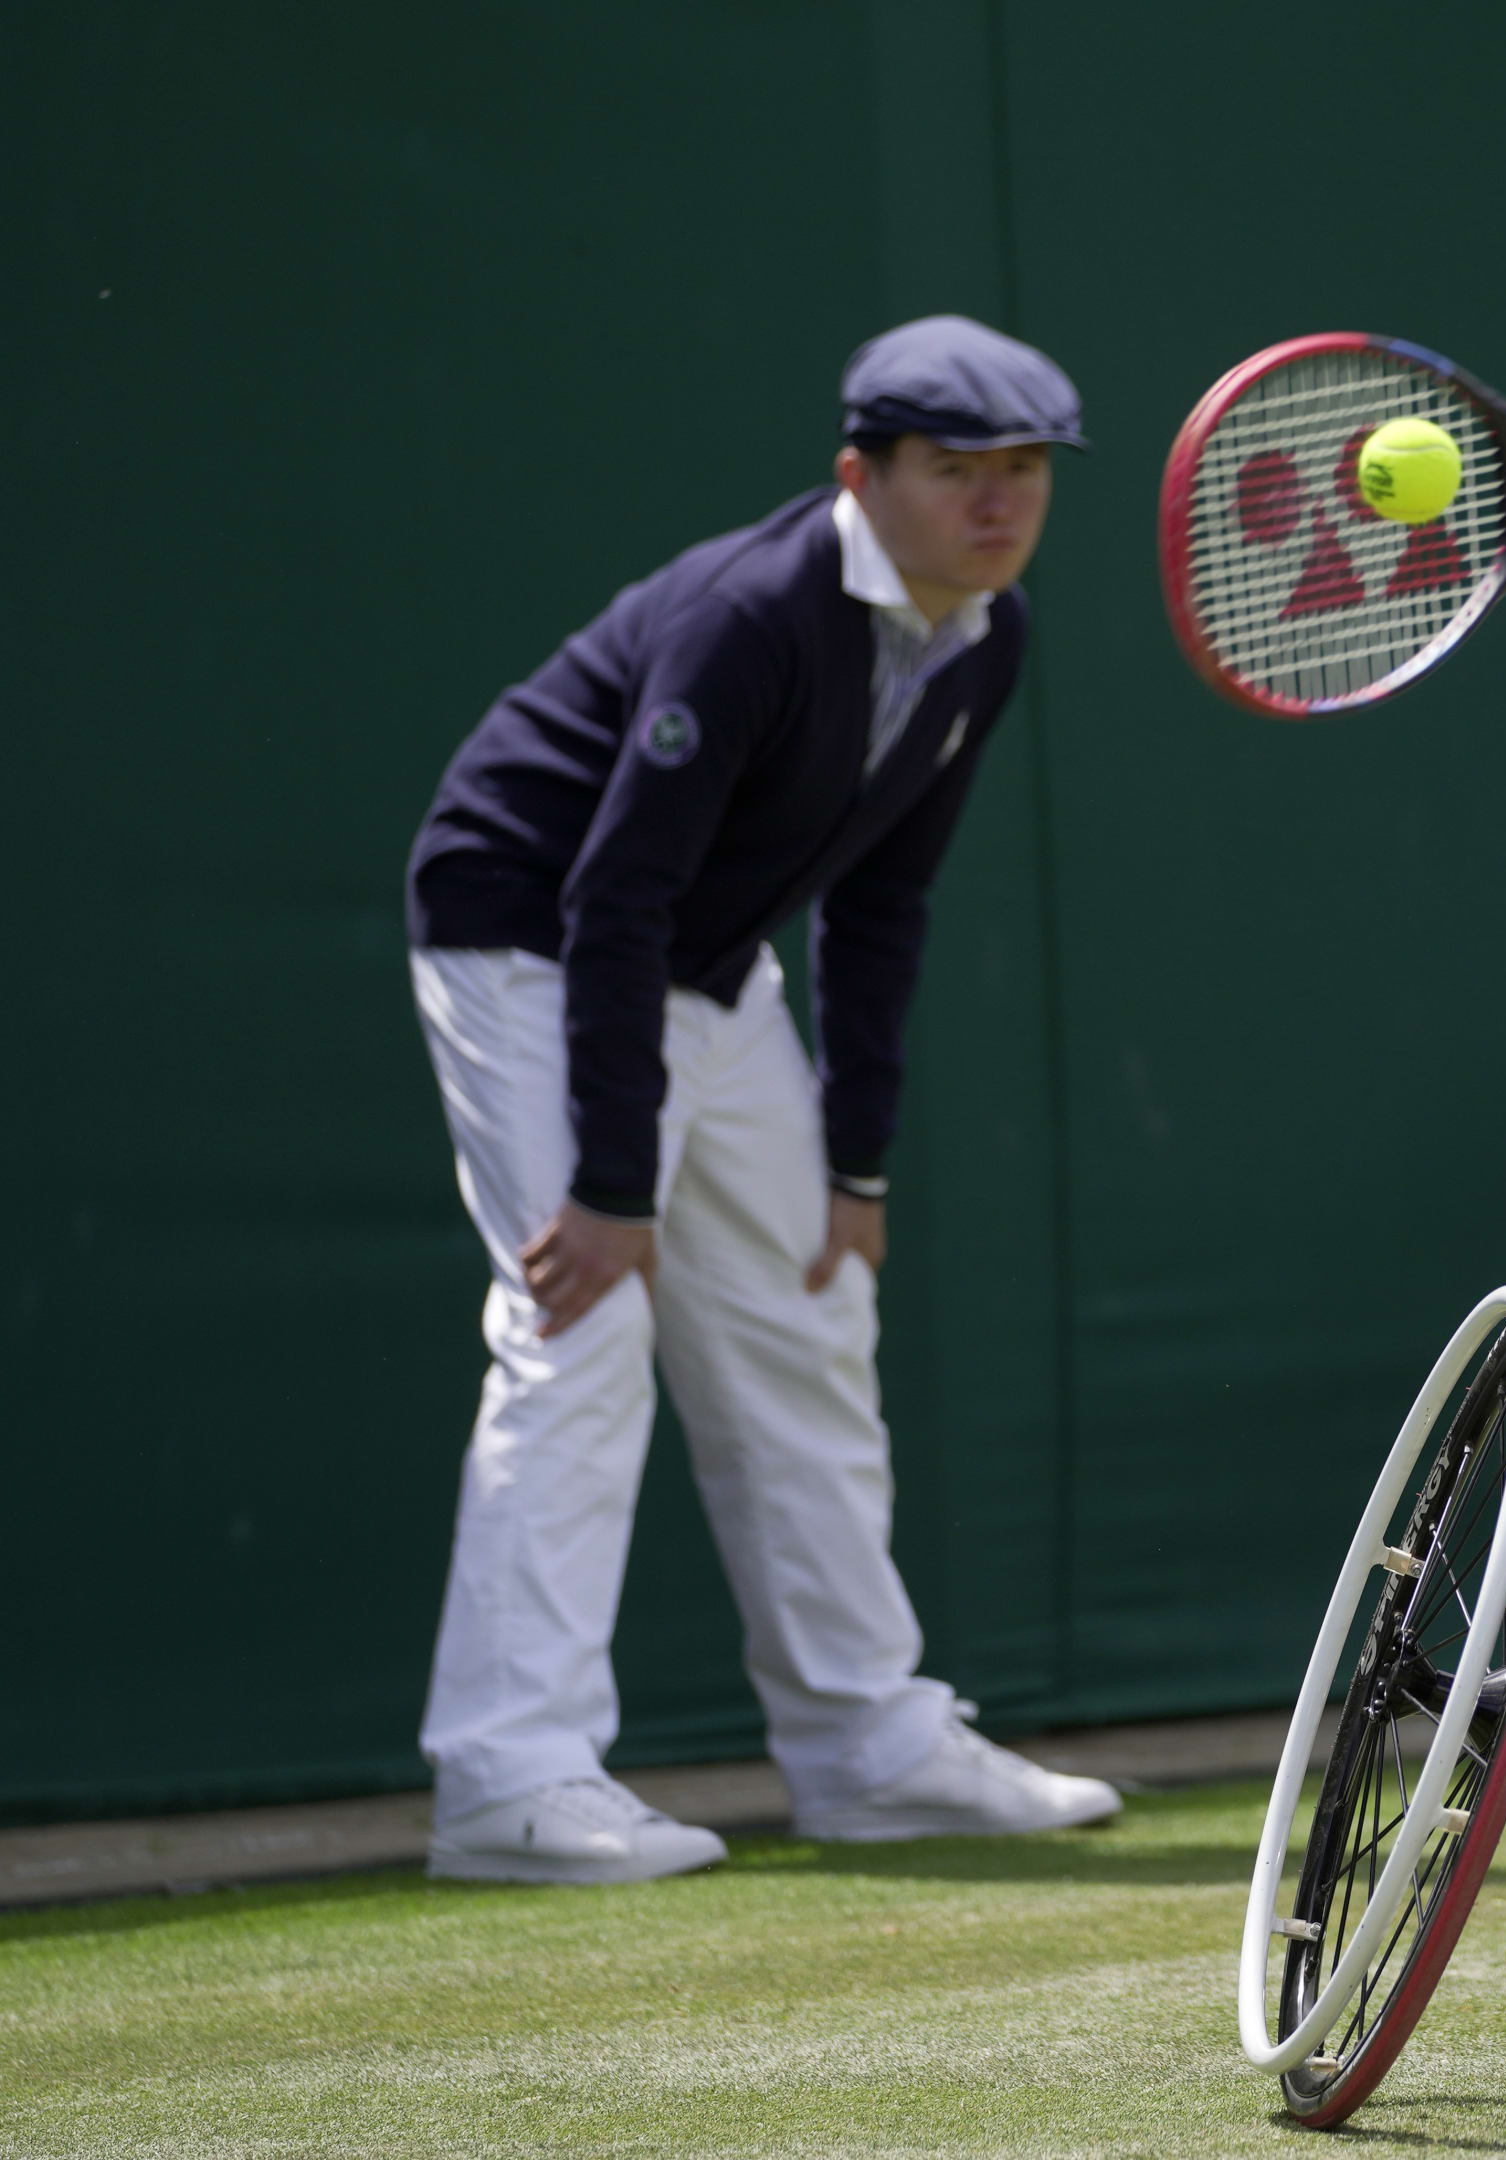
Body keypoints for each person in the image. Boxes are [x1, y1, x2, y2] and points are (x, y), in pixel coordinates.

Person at [400, 316, 1120, 1884]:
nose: (999, 506)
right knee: (580, 1322)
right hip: (533, 939)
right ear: (861, 475)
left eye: (1025, 474)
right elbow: (610, 899)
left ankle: (867, 1743)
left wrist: (854, 1165)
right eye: (957, 472)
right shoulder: (751, 616)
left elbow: (881, 908)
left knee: (809, 1311)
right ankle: (507, 1781)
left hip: (706, 968)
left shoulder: (984, 638)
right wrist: (612, 1186)